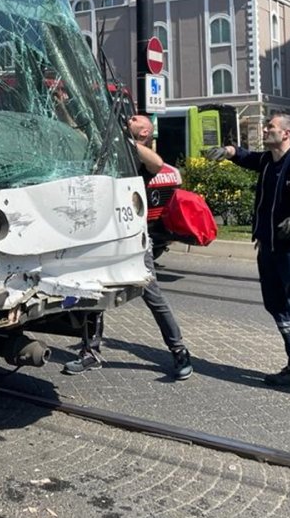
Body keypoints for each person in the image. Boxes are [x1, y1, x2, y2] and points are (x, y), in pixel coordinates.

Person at [205, 112, 290, 410]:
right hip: (267, 248)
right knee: (277, 307)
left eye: (271, 127)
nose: (265, 130)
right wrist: (226, 151)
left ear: (286, 134)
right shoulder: (268, 161)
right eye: (266, 126)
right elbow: (244, 156)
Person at [64, 113, 194, 381]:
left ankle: (179, 350)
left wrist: (125, 141)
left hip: (132, 238)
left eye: (134, 119)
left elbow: (158, 164)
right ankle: (91, 351)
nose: (127, 119)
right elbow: (78, 131)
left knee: (153, 295)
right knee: (93, 294)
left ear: (144, 132)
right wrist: (64, 106)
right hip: (102, 236)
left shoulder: (139, 158)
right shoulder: (110, 150)